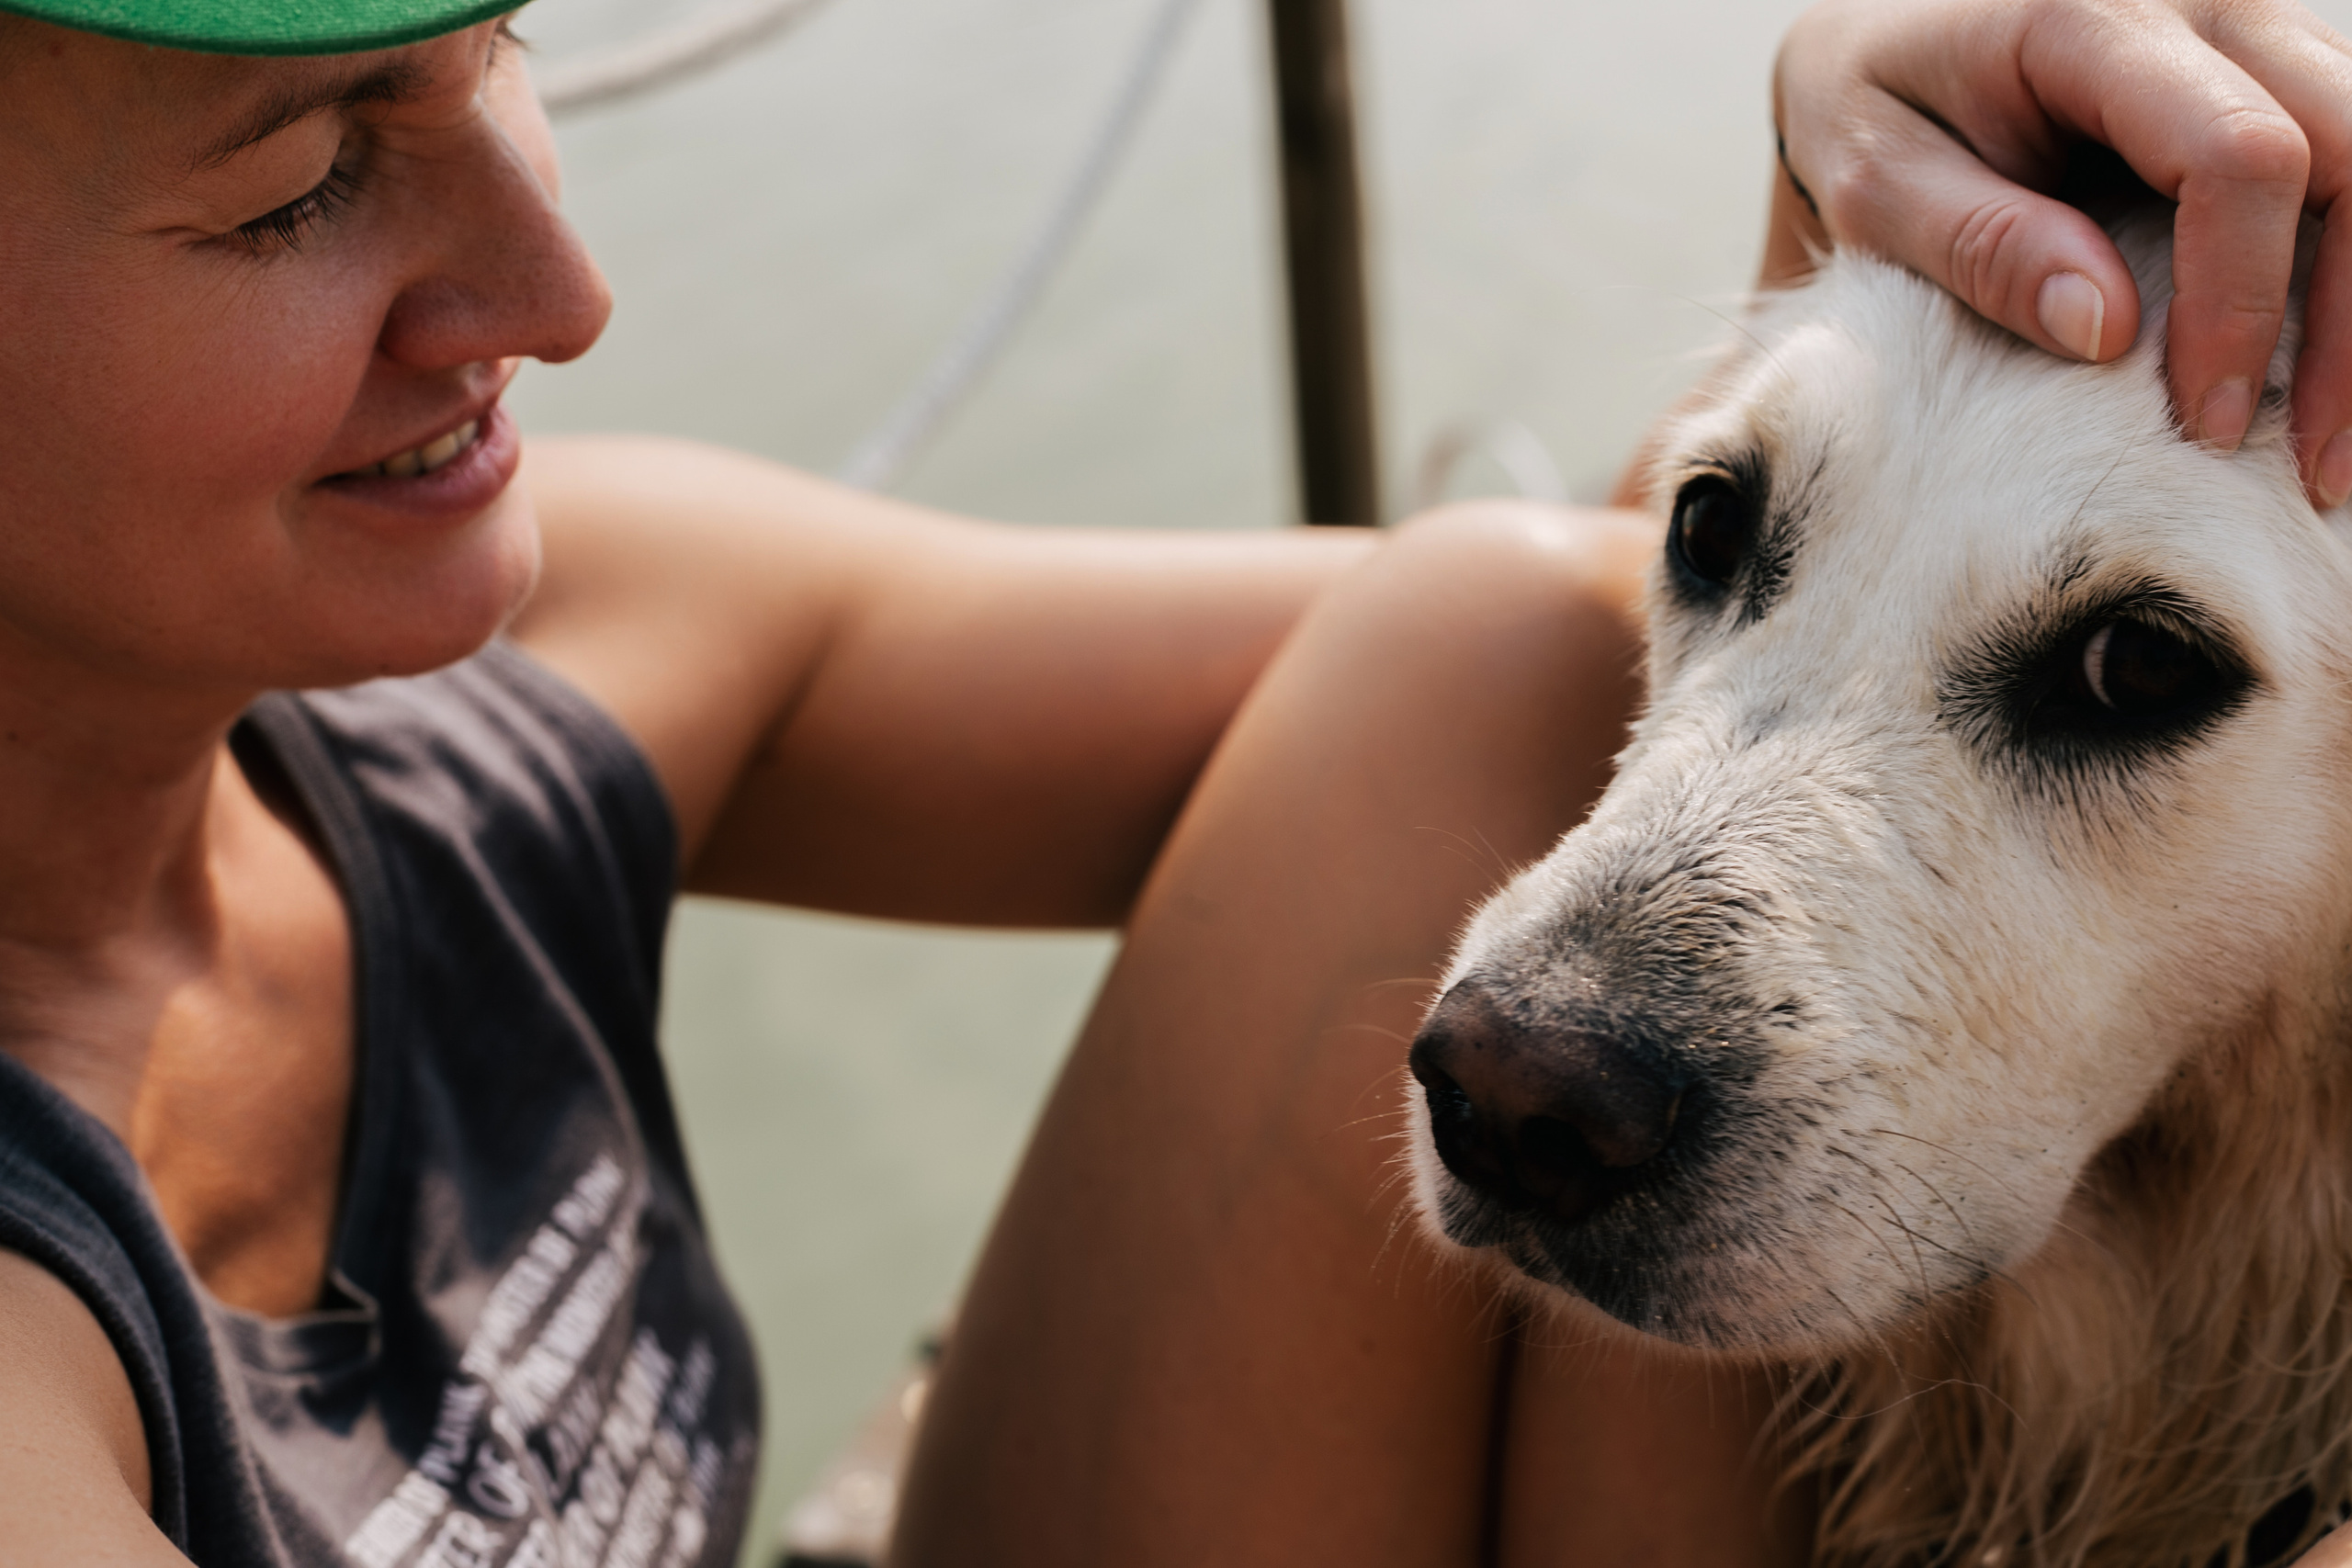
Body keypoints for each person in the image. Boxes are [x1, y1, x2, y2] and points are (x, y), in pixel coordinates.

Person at [0, 0, 2342, 1564]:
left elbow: (1588, 646)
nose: (562, 279)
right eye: (300, 177)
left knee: (1483, 630)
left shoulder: (527, 674)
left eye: (492, 51)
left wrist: (1852, 175)